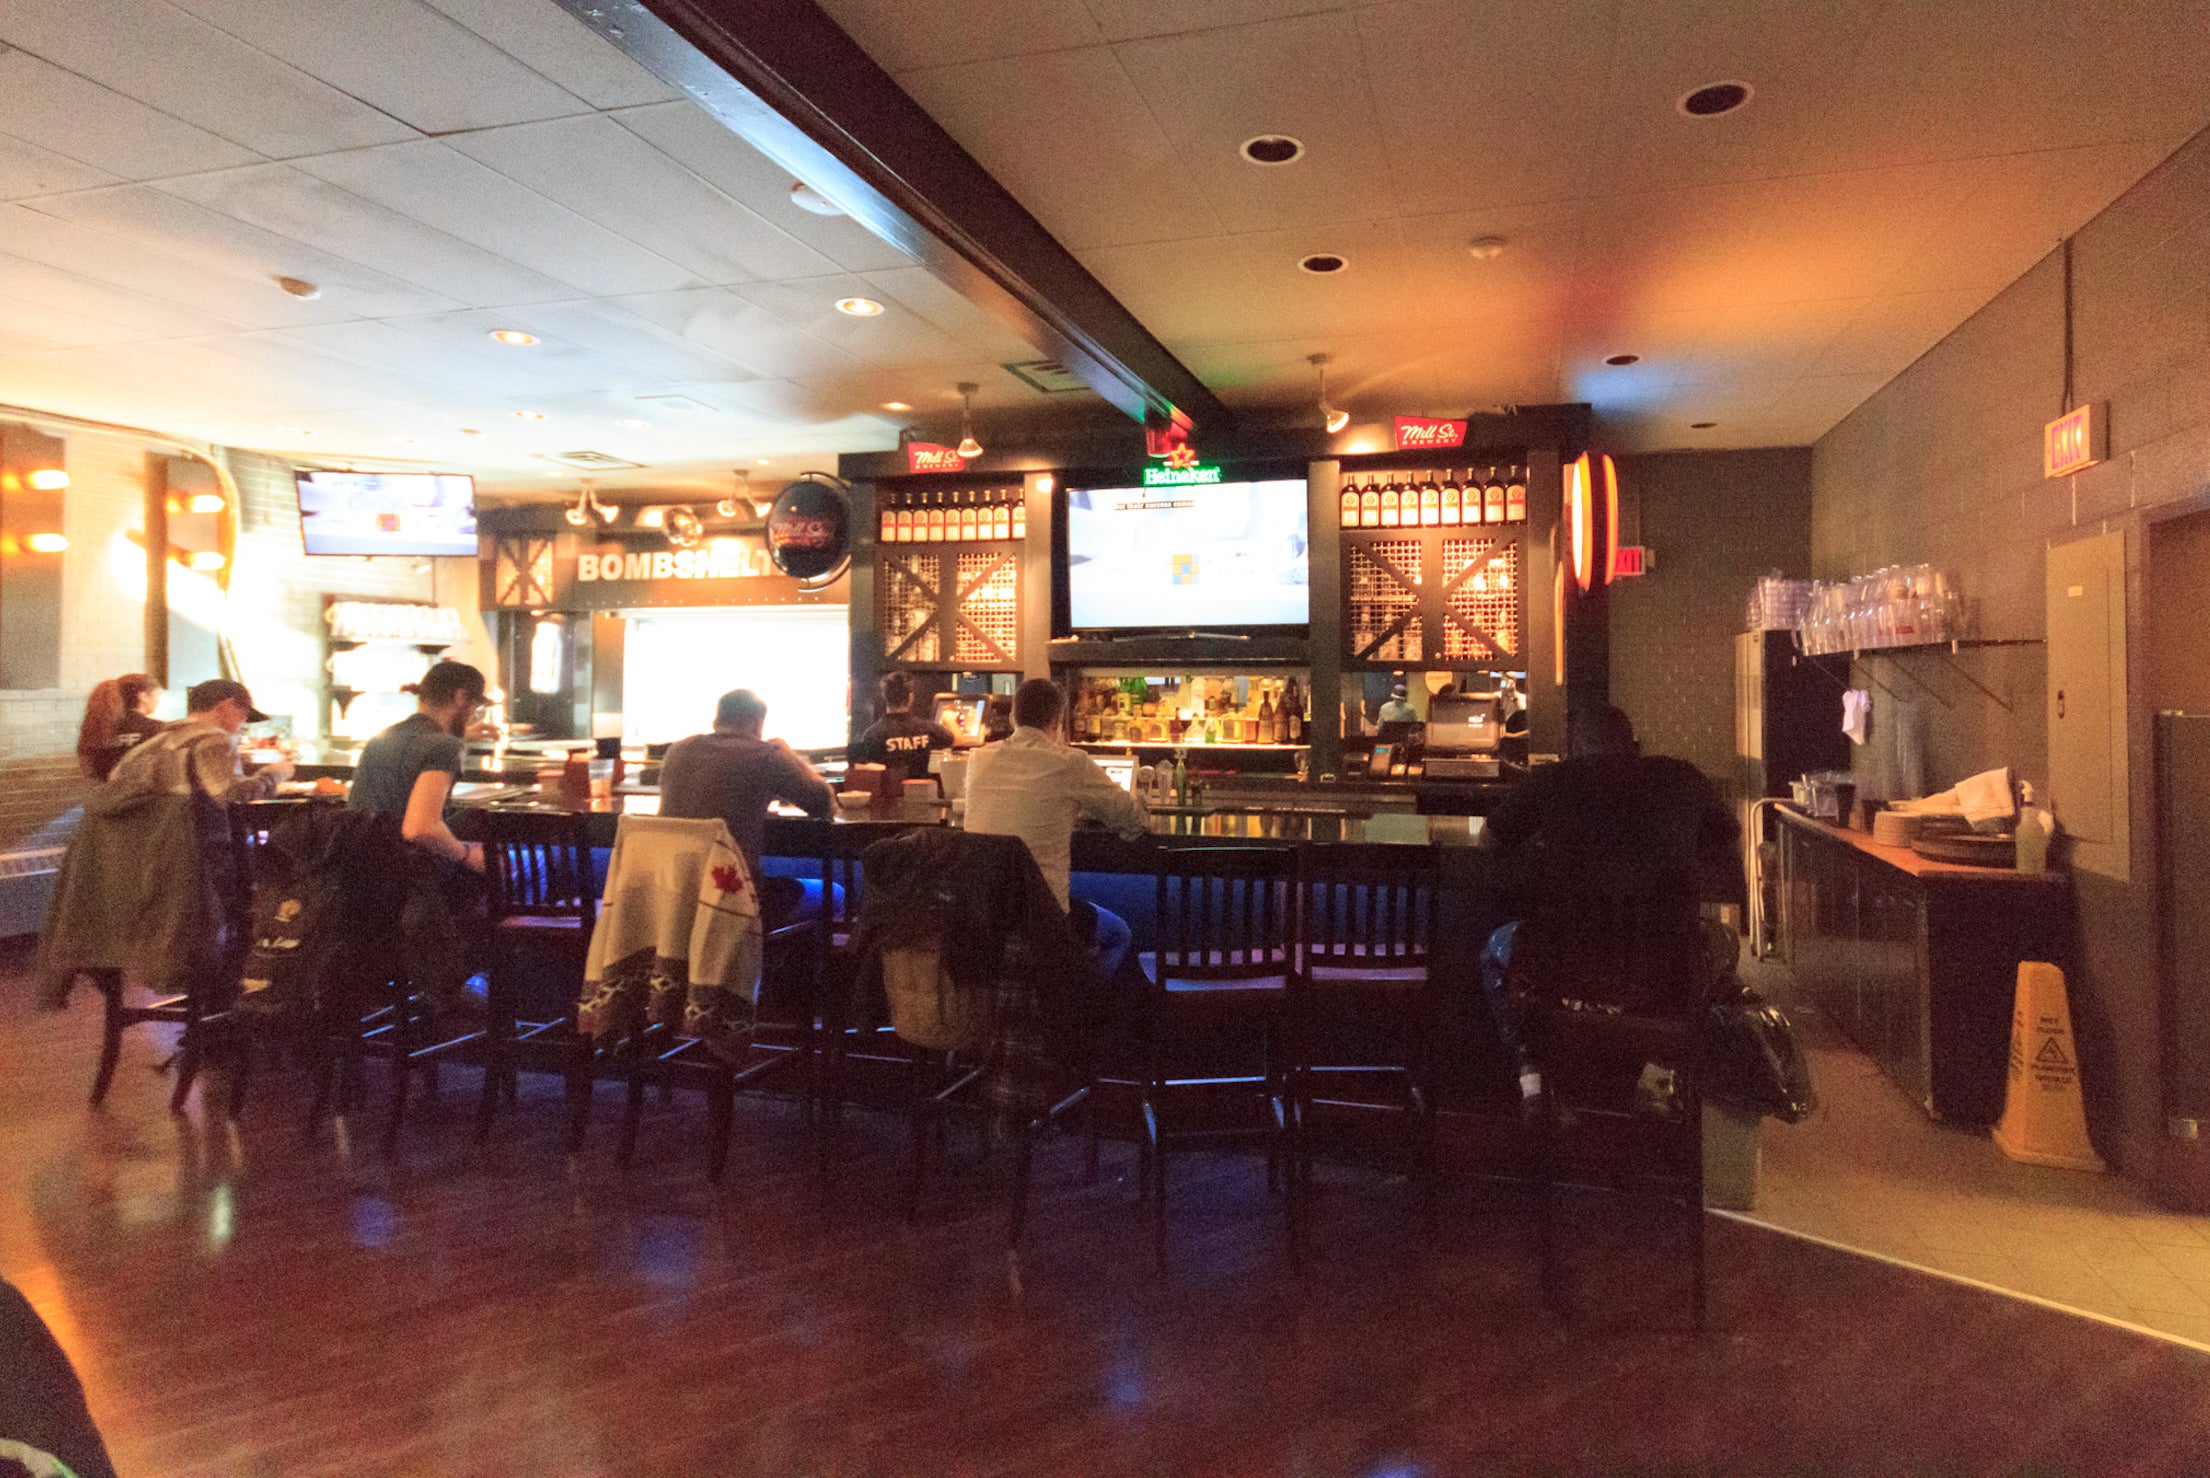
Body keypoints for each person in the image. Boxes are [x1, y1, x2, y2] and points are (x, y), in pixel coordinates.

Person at [963, 678, 1146, 975]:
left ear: (1013, 716)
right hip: (1045, 922)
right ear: (1057, 721)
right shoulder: (1071, 763)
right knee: (1118, 933)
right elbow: (1132, 820)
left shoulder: (978, 758)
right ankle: (1076, 997)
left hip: (982, 918)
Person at [658, 688, 835, 925]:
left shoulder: (677, 750)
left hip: (672, 899)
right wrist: (787, 753)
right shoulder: (767, 755)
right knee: (834, 892)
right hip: (735, 899)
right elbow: (824, 804)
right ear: (757, 723)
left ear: (716, 722)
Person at [347, 660, 489, 874]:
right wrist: (467, 854)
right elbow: (420, 828)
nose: (473, 716)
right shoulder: (444, 746)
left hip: (359, 870)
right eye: (476, 706)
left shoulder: (381, 739)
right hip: (406, 875)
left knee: (470, 819)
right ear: (460, 697)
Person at [853, 672, 956, 785]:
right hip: (924, 791)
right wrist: (949, 719)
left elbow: (867, 771)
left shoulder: (872, 735)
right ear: (911, 697)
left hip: (890, 793)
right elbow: (959, 740)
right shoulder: (930, 729)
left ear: (884, 696)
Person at [76, 673, 166, 782]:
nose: (158, 700)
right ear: (143, 696)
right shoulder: (157, 729)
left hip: (106, 791)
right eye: (158, 695)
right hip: (141, 792)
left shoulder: (99, 728)